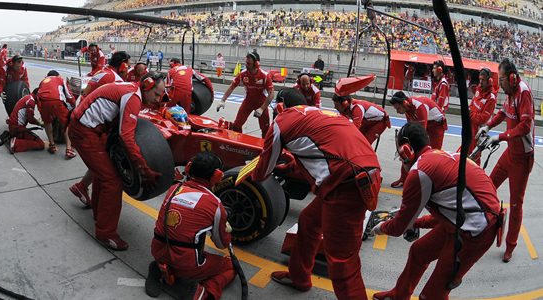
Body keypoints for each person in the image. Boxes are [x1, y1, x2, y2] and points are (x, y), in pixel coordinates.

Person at [252, 93, 381, 299]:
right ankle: (299, 277)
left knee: (342, 261)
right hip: (360, 174)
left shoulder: (281, 121)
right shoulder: (324, 114)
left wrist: (251, 172)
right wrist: (291, 167)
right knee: (309, 222)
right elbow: (323, 152)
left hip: (346, 186)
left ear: (281, 106)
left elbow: (262, 173)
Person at [372, 122, 501, 299]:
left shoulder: (419, 173)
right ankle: (399, 295)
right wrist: (416, 222)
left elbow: (398, 228)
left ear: (406, 150)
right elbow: (450, 211)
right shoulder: (442, 155)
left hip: (474, 232)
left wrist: (380, 227)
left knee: (433, 295)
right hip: (468, 221)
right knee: (419, 251)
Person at [68, 72, 165, 250]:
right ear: (147, 86)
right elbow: (126, 137)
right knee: (112, 181)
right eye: (157, 95)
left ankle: (99, 215)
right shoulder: (133, 97)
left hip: (88, 128)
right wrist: (142, 167)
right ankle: (106, 234)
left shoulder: (131, 89)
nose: (158, 100)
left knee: (103, 173)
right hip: (84, 132)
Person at [148, 152, 235, 300]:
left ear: (189, 168)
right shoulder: (214, 204)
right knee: (230, 265)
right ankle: (203, 292)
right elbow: (221, 243)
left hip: (158, 251)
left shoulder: (174, 189)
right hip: (186, 264)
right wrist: (225, 227)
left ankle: (160, 268)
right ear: (217, 176)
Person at [476, 58, 535, 263]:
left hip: (522, 158)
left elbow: (525, 126)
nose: (499, 83)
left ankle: (510, 245)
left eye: (501, 79)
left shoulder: (523, 93)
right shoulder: (509, 93)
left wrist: (500, 137)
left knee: (516, 204)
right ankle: (488, 223)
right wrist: (488, 126)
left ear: (511, 78)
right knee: (488, 187)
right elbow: (502, 112)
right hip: (510, 153)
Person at [69, 51, 130, 207]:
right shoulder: (115, 79)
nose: (129, 68)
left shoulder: (101, 71)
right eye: (128, 64)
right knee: (106, 164)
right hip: (92, 124)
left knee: (100, 161)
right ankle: (86, 189)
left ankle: (82, 186)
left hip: (83, 114)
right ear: (122, 64)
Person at [388, 91, 446, 187]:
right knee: (407, 150)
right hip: (426, 123)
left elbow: (420, 135)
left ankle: (430, 180)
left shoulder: (419, 107)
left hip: (436, 126)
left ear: (404, 103)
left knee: (431, 154)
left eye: (398, 108)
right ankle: (404, 178)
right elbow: (411, 131)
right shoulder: (407, 109)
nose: (397, 111)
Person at [217, 51, 274, 138]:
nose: (246, 62)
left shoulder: (264, 76)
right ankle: (239, 144)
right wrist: (222, 100)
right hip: (248, 102)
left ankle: (265, 148)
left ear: (256, 63)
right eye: (246, 59)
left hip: (261, 103)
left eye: (249, 60)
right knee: (236, 125)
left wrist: (262, 109)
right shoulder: (243, 74)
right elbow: (232, 86)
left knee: (265, 129)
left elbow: (271, 94)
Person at [332, 76, 390, 144]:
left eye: (336, 105)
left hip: (380, 122)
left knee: (365, 143)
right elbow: (342, 122)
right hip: (367, 121)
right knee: (357, 139)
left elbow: (355, 128)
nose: (335, 107)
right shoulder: (345, 109)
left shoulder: (357, 108)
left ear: (345, 103)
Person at [37, 70, 76, 159]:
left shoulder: (43, 81)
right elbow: (69, 96)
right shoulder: (60, 79)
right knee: (67, 123)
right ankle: (69, 149)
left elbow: (38, 96)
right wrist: (73, 105)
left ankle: (52, 145)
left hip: (43, 102)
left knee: (47, 122)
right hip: (56, 101)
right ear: (57, 75)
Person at [467, 68, 497, 164]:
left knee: (474, 159)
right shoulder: (478, 90)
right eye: (480, 79)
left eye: (483, 80)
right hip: (469, 129)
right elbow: (471, 104)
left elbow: (481, 119)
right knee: (464, 155)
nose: (480, 82)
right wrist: (472, 112)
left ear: (489, 81)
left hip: (477, 134)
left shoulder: (491, 98)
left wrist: (470, 113)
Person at [6, 88, 45, 153]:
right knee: (40, 144)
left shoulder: (27, 97)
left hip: (14, 126)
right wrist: (39, 123)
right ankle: (16, 143)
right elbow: (30, 119)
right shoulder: (31, 102)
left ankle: (14, 137)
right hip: (17, 128)